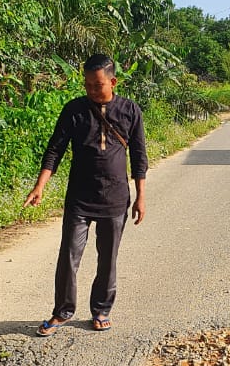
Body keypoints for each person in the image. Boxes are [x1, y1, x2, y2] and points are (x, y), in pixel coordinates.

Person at [24, 54, 147, 337]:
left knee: (108, 258)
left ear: (113, 82)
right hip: (79, 197)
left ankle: (101, 309)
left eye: (98, 84)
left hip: (115, 198)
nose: (92, 90)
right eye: (88, 84)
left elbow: (140, 156)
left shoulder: (129, 111)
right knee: (69, 254)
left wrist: (141, 196)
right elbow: (55, 149)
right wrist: (40, 185)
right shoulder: (74, 110)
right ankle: (62, 311)